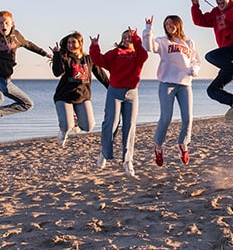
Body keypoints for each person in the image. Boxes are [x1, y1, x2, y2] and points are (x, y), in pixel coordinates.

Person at [143, 15, 201, 166]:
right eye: (166, 24)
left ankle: (183, 144)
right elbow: (149, 47)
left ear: (178, 24)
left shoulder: (189, 42)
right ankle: (158, 145)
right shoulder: (162, 41)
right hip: (167, 83)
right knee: (166, 118)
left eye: (172, 23)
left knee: (188, 118)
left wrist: (194, 70)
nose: (169, 26)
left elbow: (196, 61)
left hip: (185, 85)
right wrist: (148, 30)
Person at [90, 27, 148, 177]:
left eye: (130, 37)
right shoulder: (115, 53)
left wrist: (136, 38)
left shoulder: (137, 55)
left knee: (129, 126)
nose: (127, 39)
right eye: (125, 37)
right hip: (114, 92)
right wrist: (94, 46)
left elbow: (144, 55)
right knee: (111, 123)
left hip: (132, 93)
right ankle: (105, 152)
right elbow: (98, 60)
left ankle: (127, 160)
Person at [51, 31, 110, 147]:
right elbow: (57, 72)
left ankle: (75, 120)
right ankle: (63, 131)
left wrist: (112, 88)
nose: (70, 45)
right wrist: (57, 55)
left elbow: (101, 75)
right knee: (67, 125)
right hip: (64, 97)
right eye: (68, 42)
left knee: (88, 127)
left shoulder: (88, 59)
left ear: (80, 43)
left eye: (73, 42)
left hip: (82, 97)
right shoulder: (65, 58)